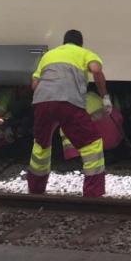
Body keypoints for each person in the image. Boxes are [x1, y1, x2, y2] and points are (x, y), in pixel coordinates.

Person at [29, 29, 112, 197]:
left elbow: (34, 84)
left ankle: (36, 190)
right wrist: (105, 97)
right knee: (92, 144)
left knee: (41, 144)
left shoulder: (49, 55)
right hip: (68, 102)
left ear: (64, 42)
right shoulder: (84, 53)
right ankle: (93, 193)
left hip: (41, 101)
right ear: (80, 43)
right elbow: (96, 70)